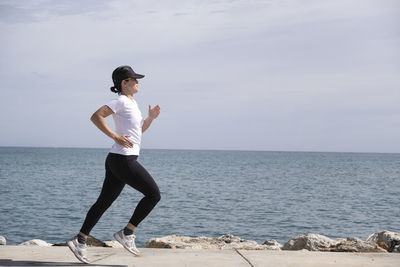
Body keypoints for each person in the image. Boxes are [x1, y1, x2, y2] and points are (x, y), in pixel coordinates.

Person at [67, 65, 161, 264]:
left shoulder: (132, 103)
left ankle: (80, 239)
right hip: (122, 159)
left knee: (104, 202)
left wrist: (150, 119)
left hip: (119, 158)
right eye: (134, 79)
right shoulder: (119, 101)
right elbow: (96, 116)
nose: (137, 82)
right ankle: (127, 233)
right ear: (124, 83)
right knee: (153, 194)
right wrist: (114, 136)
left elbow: (138, 133)